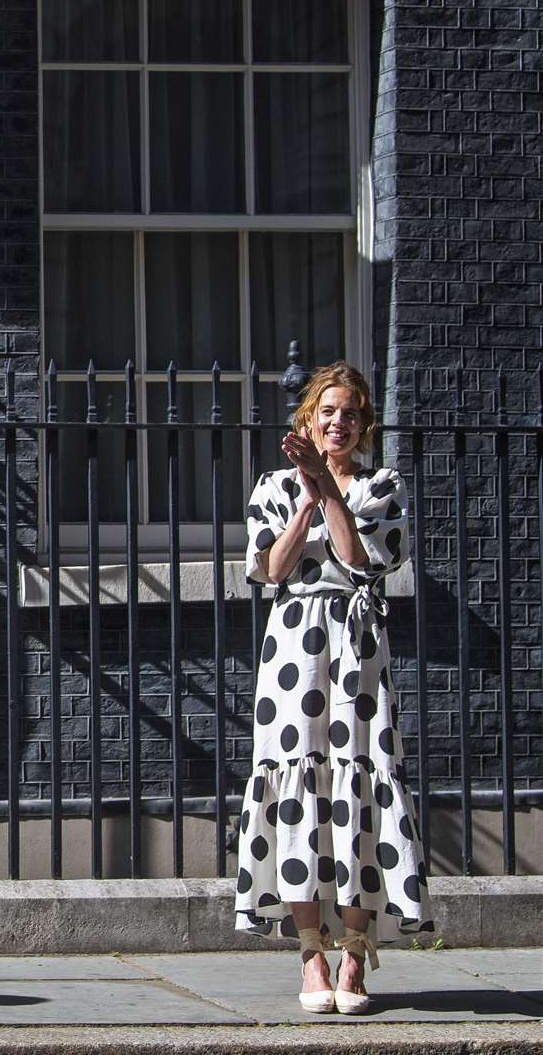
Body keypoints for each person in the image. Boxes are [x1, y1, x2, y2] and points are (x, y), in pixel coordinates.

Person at [235, 361, 433, 1015]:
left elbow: (359, 562)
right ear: (307, 421)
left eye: (349, 412)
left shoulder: (383, 488)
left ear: (363, 422)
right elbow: (270, 568)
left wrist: (329, 491)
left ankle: (355, 958)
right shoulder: (271, 486)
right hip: (292, 646)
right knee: (296, 797)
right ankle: (311, 959)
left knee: (357, 794)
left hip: (354, 646)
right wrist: (306, 493)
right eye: (327, 411)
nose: (338, 421)